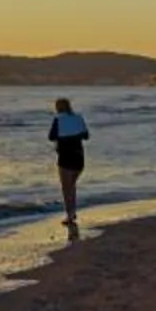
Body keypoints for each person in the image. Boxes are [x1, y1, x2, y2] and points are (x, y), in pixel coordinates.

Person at [47, 96, 88, 230]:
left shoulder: (58, 120)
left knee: (66, 188)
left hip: (65, 157)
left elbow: (51, 137)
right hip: (79, 156)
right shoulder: (78, 118)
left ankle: (70, 215)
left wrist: (63, 136)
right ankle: (72, 212)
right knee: (72, 186)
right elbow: (86, 135)